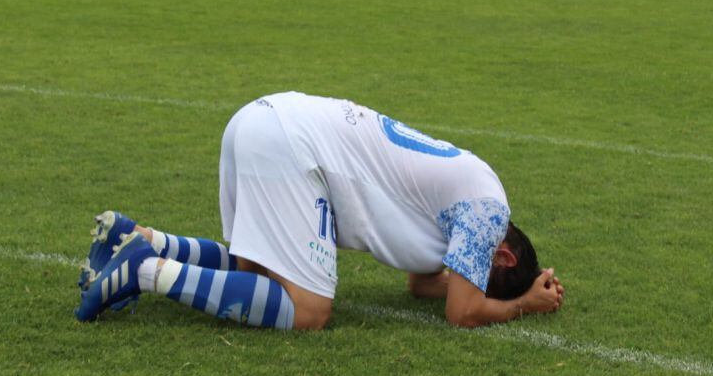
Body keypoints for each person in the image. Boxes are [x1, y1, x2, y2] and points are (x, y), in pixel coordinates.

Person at [76, 92, 564, 329]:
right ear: (502, 256)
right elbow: (463, 311)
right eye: (482, 272)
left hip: (264, 118)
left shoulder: (464, 208)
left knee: (259, 272)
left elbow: (423, 286)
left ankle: (142, 240)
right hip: (293, 146)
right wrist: (523, 305)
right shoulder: (488, 211)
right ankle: (144, 270)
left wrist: (496, 289)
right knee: (309, 311)